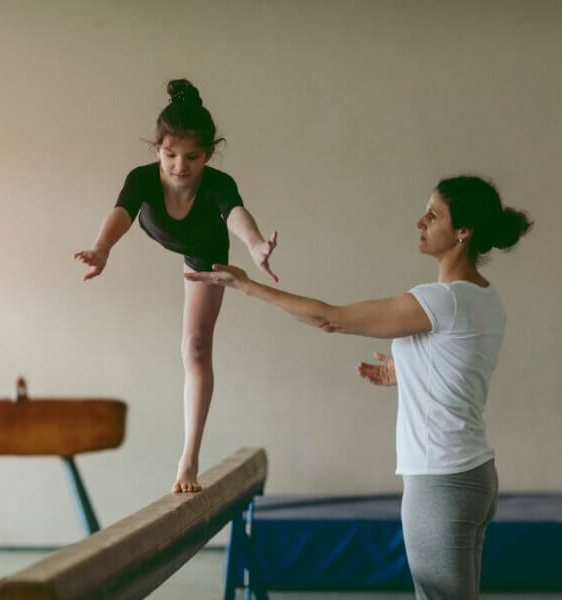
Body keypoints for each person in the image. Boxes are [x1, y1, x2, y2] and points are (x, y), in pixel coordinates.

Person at [185, 176, 532, 599]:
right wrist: (408, 372)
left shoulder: (440, 301)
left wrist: (245, 285)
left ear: (464, 232)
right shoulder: (486, 298)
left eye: (434, 215)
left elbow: (330, 318)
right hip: (476, 477)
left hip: (440, 481)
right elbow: (462, 367)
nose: (419, 221)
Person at [74, 79, 279, 494]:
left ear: (209, 154)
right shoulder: (143, 179)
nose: (180, 166)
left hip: (205, 252)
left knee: (195, 347)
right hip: (161, 232)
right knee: (190, 346)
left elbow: (236, 213)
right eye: (170, 155)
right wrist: (101, 248)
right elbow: (121, 213)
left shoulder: (218, 184)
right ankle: (187, 459)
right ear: (157, 149)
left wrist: (255, 244)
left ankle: (188, 460)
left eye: (192, 157)